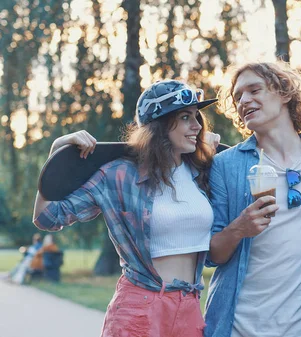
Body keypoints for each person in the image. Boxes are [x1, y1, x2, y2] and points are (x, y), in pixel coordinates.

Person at [33, 79, 219, 337]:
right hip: (139, 308)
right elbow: (47, 217)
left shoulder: (202, 173)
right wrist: (57, 152)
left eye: (197, 117)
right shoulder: (119, 174)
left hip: (189, 306)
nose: (197, 126)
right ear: (160, 126)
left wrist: (215, 158)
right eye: (186, 117)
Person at [204, 62, 301, 337]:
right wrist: (239, 229)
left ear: (284, 93)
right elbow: (212, 255)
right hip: (237, 327)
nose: (244, 100)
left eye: (254, 90)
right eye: (238, 97)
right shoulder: (225, 166)